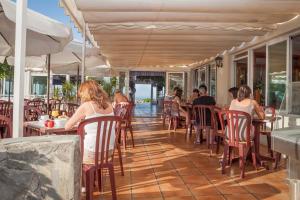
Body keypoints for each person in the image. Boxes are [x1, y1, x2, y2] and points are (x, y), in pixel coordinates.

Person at [65, 80, 115, 164]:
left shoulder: (86, 106)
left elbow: (67, 127)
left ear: (85, 93)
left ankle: (78, 176)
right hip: (109, 151)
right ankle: (94, 176)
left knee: (68, 152)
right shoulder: (109, 105)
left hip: (92, 154)